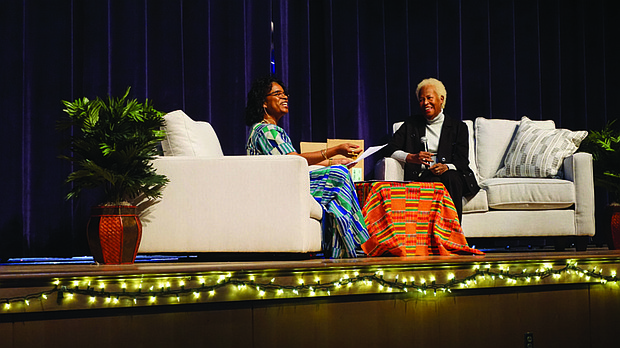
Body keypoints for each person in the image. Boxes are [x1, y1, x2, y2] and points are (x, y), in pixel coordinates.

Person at [244, 76, 369, 258]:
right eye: (278, 94)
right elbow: (294, 161)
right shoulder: (266, 131)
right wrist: (335, 151)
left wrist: (334, 162)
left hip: (283, 186)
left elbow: (294, 162)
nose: (285, 97)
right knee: (339, 177)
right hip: (276, 191)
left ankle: (341, 250)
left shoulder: (268, 130)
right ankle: (356, 244)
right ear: (264, 103)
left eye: (285, 94)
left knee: (336, 190)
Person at [383, 77, 479, 221]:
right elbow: (389, 148)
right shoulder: (411, 124)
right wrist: (411, 157)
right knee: (432, 180)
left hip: (451, 176)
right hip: (423, 175)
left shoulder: (458, 127)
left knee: (450, 177)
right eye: (421, 100)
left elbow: (462, 161)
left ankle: (454, 232)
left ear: (441, 99)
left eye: (429, 98)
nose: (425, 103)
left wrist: (446, 167)